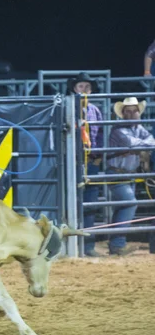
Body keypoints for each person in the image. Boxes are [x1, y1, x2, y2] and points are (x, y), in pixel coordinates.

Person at [107, 97, 155, 256]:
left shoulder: (138, 128)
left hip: (129, 174)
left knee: (123, 206)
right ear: (123, 114)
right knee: (130, 204)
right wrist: (141, 144)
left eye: (135, 110)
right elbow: (133, 144)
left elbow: (151, 141)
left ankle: (115, 245)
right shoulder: (118, 129)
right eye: (128, 111)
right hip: (117, 173)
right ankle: (118, 244)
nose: (132, 114)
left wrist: (141, 144)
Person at [68, 72, 103, 257]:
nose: (84, 90)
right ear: (74, 88)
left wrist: (99, 156)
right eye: (81, 86)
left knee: (90, 204)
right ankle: (72, 246)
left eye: (87, 87)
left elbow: (100, 135)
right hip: (73, 162)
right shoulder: (68, 109)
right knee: (72, 202)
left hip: (91, 162)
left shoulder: (94, 110)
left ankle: (88, 246)